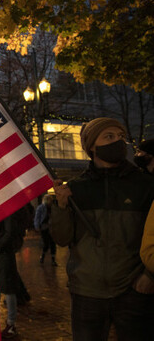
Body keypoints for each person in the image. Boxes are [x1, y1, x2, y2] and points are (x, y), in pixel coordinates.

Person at [51, 117, 154, 340]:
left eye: (121, 137)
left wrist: (150, 275)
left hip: (133, 292)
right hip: (86, 294)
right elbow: (61, 238)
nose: (119, 142)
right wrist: (61, 207)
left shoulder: (145, 185)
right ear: (91, 147)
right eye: (109, 136)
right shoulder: (76, 188)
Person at [0, 206, 30, 339]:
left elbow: (9, 232)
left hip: (3, 254)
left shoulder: (5, 210)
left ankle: (11, 324)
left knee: (8, 289)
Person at [33, 195, 57, 266]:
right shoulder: (41, 208)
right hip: (44, 227)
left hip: (51, 227)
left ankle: (52, 259)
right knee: (46, 243)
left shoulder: (52, 207)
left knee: (52, 243)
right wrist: (37, 226)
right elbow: (37, 217)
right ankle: (42, 257)